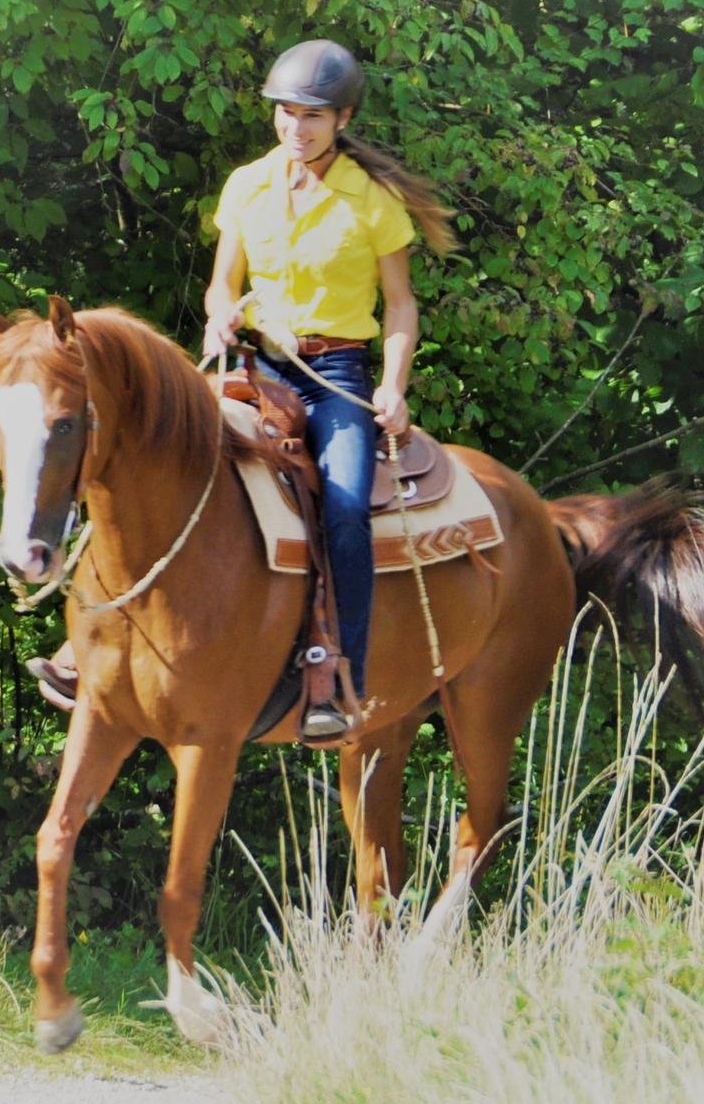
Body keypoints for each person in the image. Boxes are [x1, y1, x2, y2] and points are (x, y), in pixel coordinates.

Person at [27, 39, 456, 740]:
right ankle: (89, 644)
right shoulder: (247, 185)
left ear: (342, 119)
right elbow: (223, 282)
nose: (296, 127)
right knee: (147, 463)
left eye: (313, 116)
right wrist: (221, 310)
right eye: (286, 112)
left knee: (346, 507)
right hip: (254, 366)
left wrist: (395, 384)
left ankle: (339, 674)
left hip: (333, 378)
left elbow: (401, 303)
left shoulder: (371, 202)